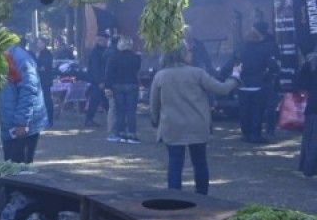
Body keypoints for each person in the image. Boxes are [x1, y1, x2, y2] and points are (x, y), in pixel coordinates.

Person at [150, 43, 241, 195]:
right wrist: (235, 76)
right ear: (182, 54)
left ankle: (174, 196)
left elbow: (154, 103)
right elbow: (222, 89)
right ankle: (201, 195)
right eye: (188, 51)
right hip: (197, 124)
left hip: (172, 125)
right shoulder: (197, 73)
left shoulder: (160, 76)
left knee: (175, 163)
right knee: (199, 162)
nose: (191, 53)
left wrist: (155, 121)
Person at [0, 41, 48, 163]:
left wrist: (22, 122)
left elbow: (29, 92)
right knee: (10, 166)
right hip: (8, 125)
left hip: (23, 126)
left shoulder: (21, 60)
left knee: (21, 170)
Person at [237, 20, 279, 144]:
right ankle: (256, 135)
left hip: (243, 84)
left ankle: (245, 134)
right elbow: (272, 66)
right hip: (258, 84)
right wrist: (272, 72)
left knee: (244, 111)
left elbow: (233, 62)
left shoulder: (242, 47)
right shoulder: (265, 48)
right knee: (257, 111)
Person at [105, 36, 142, 143]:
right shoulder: (136, 58)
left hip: (117, 85)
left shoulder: (113, 57)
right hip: (132, 85)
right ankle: (132, 133)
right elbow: (137, 70)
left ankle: (121, 133)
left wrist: (108, 86)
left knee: (120, 111)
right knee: (131, 111)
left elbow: (109, 73)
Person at [296, 48, 317, 178]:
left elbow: (300, 84)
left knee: (310, 138)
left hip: (313, 104)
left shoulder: (310, 63)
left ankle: (308, 167)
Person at [82, 32, 110, 127]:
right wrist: (99, 81)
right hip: (97, 81)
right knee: (96, 100)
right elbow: (95, 68)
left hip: (100, 80)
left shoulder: (102, 50)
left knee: (105, 100)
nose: (107, 42)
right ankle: (89, 119)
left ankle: (112, 118)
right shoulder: (96, 52)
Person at [35, 37, 55, 128]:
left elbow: (44, 68)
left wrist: (37, 69)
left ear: (44, 44)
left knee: (47, 100)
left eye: (39, 43)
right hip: (40, 80)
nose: (38, 45)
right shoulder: (38, 54)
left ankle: (49, 119)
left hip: (45, 81)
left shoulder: (47, 54)